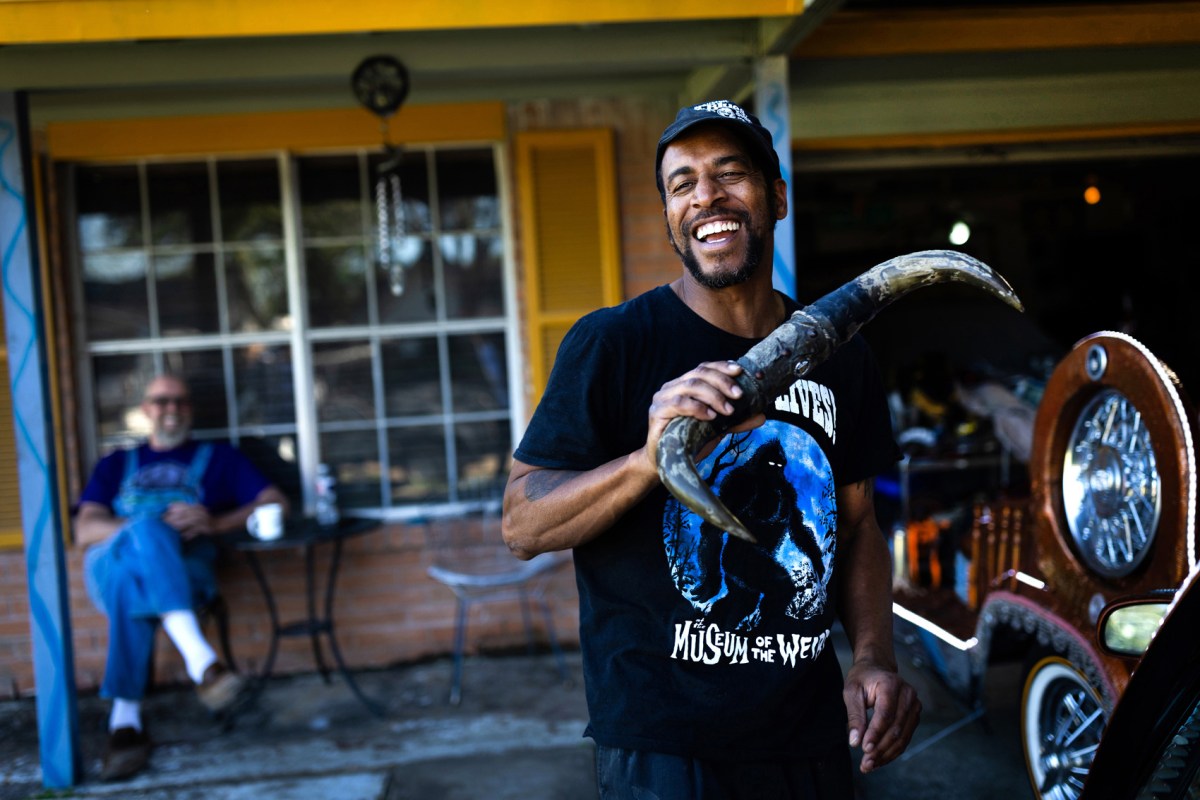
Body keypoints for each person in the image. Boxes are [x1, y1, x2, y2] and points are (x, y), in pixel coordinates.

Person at [502, 99, 921, 798]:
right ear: (669, 212)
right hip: (663, 742)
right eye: (683, 182)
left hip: (811, 734)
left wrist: (873, 660)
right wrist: (647, 460)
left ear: (777, 196)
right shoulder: (613, 345)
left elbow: (857, 528)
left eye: (732, 174)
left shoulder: (841, 356)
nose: (707, 197)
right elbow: (521, 524)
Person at [76, 373, 290, 781]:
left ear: (189, 410)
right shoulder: (116, 463)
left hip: (187, 569)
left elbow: (275, 501)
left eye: (179, 401)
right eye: (161, 401)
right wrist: (143, 526)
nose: (170, 409)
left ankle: (125, 722)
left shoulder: (220, 458)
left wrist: (216, 521)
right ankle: (201, 661)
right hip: (106, 565)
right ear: (146, 410)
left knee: (129, 584)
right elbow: (85, 530)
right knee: (145, 532)